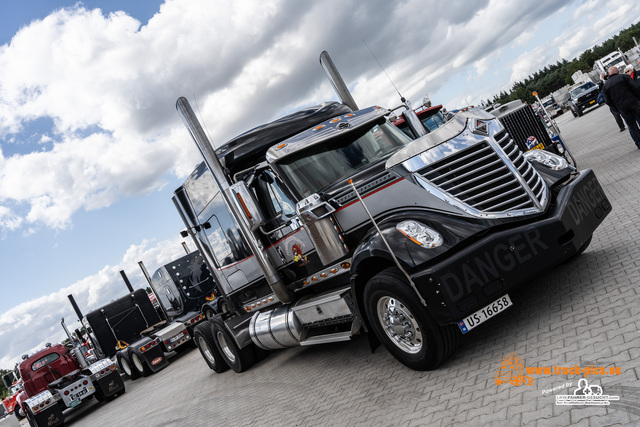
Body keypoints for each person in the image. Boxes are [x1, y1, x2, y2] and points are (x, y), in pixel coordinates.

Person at [603, 66, 640, 148]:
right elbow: (636, 87)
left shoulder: (606, 86)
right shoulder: (624, 77)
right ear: (617, 72)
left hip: (623, 108)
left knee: (632, 126)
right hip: (634, 103)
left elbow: (608, 101)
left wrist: (617, 109)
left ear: (609, 74)